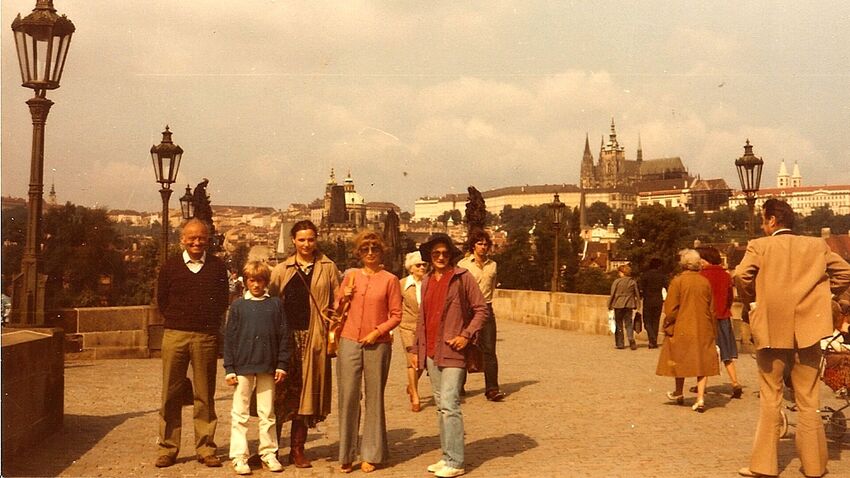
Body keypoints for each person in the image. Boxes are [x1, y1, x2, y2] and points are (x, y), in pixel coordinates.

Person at [734, 199, 850, 478]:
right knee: (808, 398)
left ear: (772, 220)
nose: (763, 225)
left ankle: (763, 465)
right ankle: (814, 466)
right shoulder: (816, 246)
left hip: (772, 329)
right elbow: (846, 272)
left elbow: (741, 275)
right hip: (809, 329)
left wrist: (753, 301)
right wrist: (826, 298)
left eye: (764, 220)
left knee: (770, 395)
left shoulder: (759, 246)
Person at [410, 233, 488, 478]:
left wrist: (466, 335)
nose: (441, 257)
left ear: (451, 255)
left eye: (445, 253)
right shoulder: (429, 280)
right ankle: (446, 456)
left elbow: (481, 310)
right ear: (429, 257)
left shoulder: (462, 278)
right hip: (432, 351)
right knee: (440, 406)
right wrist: (415, 349)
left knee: (450, 404)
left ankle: (456, 461)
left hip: (454, 350)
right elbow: (422, 319)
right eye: (436, 254)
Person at [155, 219, 229, 468]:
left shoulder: (217, 267)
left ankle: (206, 448)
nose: (197, 242)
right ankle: (168, 447)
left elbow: (222, 301)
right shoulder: (170, 266)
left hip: (205, 336)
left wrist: (206, 325)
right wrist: (178, 320)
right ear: (183, 240)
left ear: (208, 240)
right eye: (192, 238)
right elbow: (161, 300)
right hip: (175, 334)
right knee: (170, 393)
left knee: (204, 394)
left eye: (202, 238)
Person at [268, 220, 341, 468]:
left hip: (314, 337)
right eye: (301, 240)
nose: (307, 244)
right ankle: (271, 449)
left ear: (316, 239)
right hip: (286, 338)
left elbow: (338, 301)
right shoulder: (281, 269)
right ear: (293, 241)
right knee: (279, 394)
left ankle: (297, 449)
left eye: (311, 239)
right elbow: (270, 303)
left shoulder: (328, 267)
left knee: (306, 395)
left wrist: (332, 318)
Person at [336, 231, 402, 473]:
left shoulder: (390, 279)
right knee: (348, 395)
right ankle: (346, 452)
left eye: (375, 249)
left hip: (378, 342)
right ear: (359, 253)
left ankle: (372, 453)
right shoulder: (350, 276)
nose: (371, 253)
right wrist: (343, 297)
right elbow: (336, 308)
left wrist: (378, 331)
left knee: (374, 397)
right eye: (366, 250)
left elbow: (396, 315)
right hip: (349, 340)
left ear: (381, 251)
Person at [224, 261, 289, 475]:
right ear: (245, 281)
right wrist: (230, 367)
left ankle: (268, 453)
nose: (256, 285)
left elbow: (283, 336)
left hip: (267, 365)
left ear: (266, 282)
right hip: (243, 365)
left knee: (267, 412)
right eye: (252, 280)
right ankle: (239, 455)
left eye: (260, 280)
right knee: (240, 412)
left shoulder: (275, 305)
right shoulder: (238, 306)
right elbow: (230, 337)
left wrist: (281, 364)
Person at [655, 249, 719, 413]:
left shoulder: (677, 282)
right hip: (703, 326)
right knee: (702, 362)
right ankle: (700, 398)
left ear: (683, 264)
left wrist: (668, 325)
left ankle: (679, 391)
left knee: (679, 358)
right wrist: (712, 329)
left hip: (682, 326)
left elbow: (671, 308)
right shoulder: (705, 282)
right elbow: (711, 308)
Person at [457, 230, 505, 401]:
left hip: (486, 308)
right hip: (467, 309)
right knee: (463, 347)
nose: (483, 247)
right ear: (473, 246)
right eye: (480, 244)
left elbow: (492, 286)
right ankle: (458, 385)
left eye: (485, 244)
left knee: (489, 350)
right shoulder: (463, 265)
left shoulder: (493, 265)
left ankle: (492, 388)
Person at [695, 246, 743, 399]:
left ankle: (701, 386)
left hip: (707, 319)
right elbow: (729, 297)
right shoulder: (726, 275)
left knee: (704, 354)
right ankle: (735, 382)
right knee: (726, 354)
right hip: (723, 317)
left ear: (704, 259)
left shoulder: (701, 275)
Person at [399, 251, 428, 412]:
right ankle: (415, 396)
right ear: (411, 268)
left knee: (422, 363)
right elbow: (395, 305)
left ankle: (411, 385)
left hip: (424, 329)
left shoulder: (429, 282)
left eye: (424, 265)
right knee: (412, 361)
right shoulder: (402, 284)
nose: (422, 267)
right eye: (418, 265)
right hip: (407, 327)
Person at [608, 264, 641, 350]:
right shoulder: (632, 282)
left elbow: (612, 294)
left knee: (619, 324)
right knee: (628, 323)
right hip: (629, 304)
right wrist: (637, 304)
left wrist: (609, 304)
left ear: (622, 272)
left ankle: (620, 343)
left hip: (618, 304)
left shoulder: (617, 282)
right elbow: (637, 294)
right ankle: (631, 339)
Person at [639, 258, 667, 348]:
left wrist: (640, 296)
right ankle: (653, 341)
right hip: (658, 300)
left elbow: (640, 288)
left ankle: (652, 338)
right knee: (656, 321)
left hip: (648, 300)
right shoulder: (662, 276)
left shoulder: (645, 275)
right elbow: (667, 287)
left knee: (647, 321)